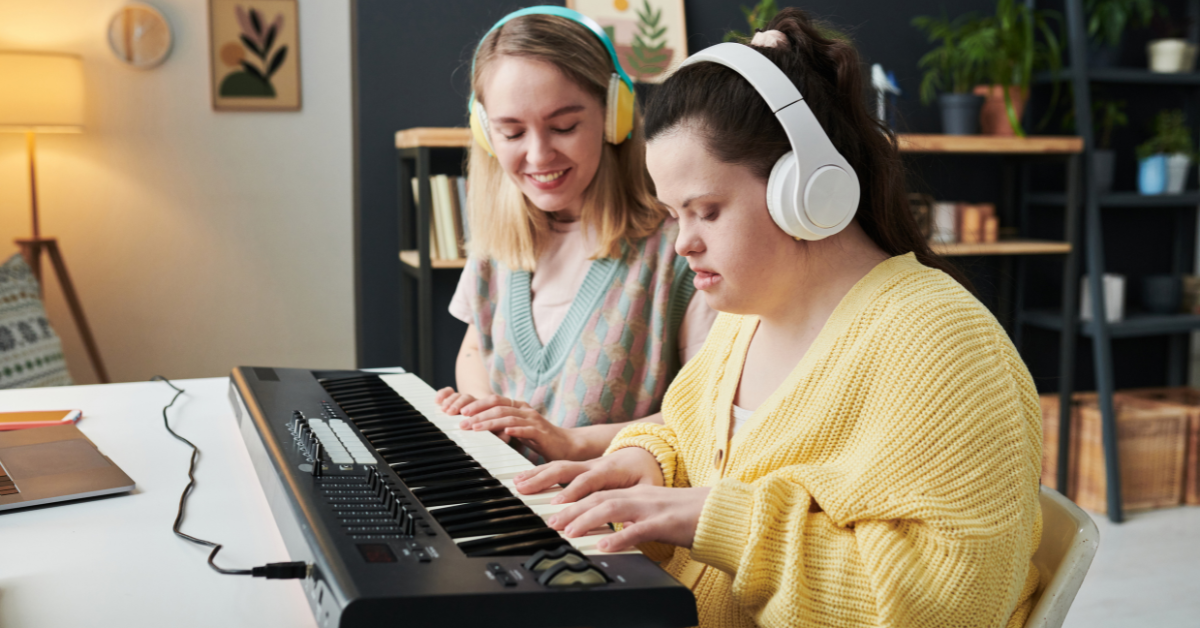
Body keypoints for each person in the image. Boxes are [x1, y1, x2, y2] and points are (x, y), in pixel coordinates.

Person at [514, 10, 1043, 628]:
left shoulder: (941, 343)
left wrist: (717, 522)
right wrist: (648, 463)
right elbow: (693, 441)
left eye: (706, 210)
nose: (682, 243)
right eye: (673, 214)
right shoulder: (748, 317)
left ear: (807, 191)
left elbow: (946, 607)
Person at [435, 6, 716, 463]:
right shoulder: (496, 245)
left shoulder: (678, 251)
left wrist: (570, 444)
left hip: (607, 518)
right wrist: (484, 408)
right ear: (485, 133)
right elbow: (475, 351)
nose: (539, 154)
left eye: (564, 127)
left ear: (614, 116)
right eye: (510, 132)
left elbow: (708, 409)